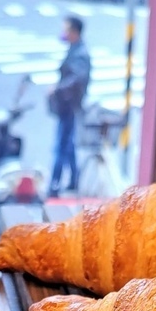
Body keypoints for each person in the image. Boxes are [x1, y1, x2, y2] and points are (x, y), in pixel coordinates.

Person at [48, 15, 91, 198]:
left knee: (61, 145)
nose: (63, 33)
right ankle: (72, 180)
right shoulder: (75, 50)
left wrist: (57, 88)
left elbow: (77, 80)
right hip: (68, 106)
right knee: (68, 145)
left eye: (66, 29)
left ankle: (54, 184)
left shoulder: (80, 54)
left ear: (74, 32)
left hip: (69, 106)